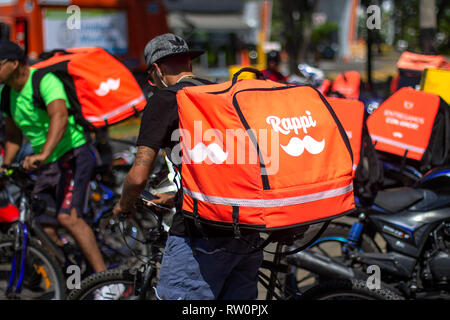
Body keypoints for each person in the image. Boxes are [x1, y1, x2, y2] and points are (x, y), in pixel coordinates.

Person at [113, 33, 264, 300]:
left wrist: (124, 206)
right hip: (248, 227)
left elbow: (137, 177)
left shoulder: (165, 100)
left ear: (156, 71)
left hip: (201, 234)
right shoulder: (220, 93)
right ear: (189, 64)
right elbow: (220, 165)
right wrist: (175, 198)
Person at [0, 39, 109, 279]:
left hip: (73, 153)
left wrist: (43, 154)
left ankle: (107, 282)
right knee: (42, 223)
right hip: (46, 162)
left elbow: (59, 117)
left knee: (68, 217)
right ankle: (72, 268)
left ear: (14, 63)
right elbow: (12, 136)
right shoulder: (6, 92)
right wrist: (5, 168)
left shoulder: (44, 80)